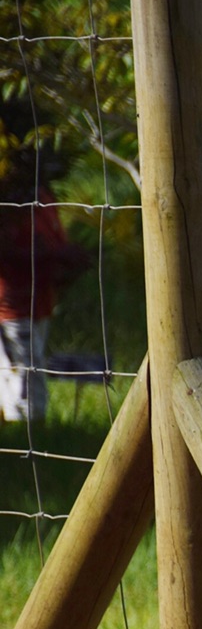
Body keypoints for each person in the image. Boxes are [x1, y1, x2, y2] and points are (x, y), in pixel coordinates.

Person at [0, 148, 90, 423]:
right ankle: (25, 432)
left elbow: (52, 242)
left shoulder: (44, 199)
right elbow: (5, 249)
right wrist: (54, 256)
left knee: (29, 365)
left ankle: (29, 430)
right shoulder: (9, 203)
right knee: (24, 373)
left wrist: (69, 260)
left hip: (41, 299)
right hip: (13, 304)